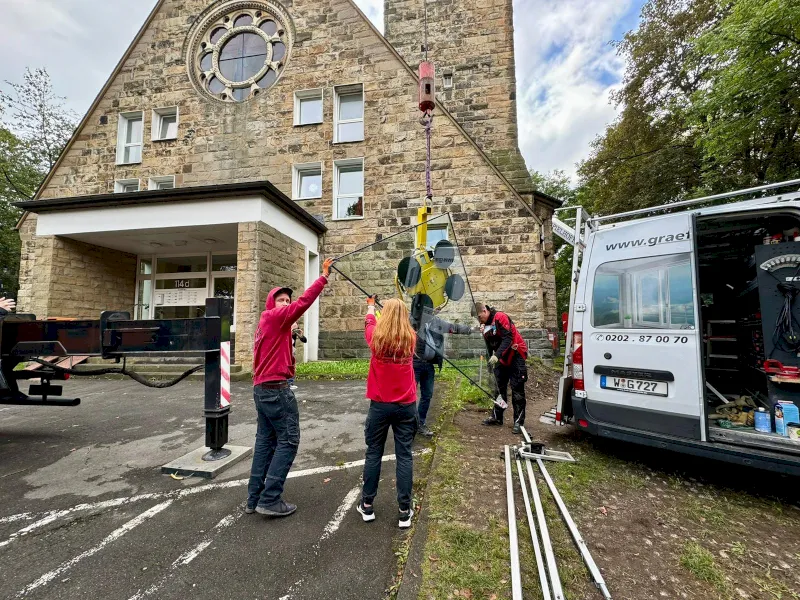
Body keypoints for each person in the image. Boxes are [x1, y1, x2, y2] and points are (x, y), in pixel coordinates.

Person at [246, 257, 334, 518]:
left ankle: (254, 497)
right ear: (272, 305)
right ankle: (271, 498)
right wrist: (324, 277)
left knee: (265, 442)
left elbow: (283, 357)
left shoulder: (271, 325)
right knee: (289, 440)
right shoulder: (275, 317)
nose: (286, 304)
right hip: (275, 391)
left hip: (262, 389)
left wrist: (290, 334)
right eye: (281, 300)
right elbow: (304, 302)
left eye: (287, 300)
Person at [356, 296, 418, 528]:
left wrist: (371, 306)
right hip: (405, 406)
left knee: (374, 453)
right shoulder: (411, 339)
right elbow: (389, 325)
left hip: (380, 406)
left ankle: (368, 505)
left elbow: (370, 322)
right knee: (404, 455)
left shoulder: (376, 339)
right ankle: (404, 510)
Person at [412, 310, 474, 437]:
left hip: (429, 365)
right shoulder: (413, 320)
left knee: (427, 395)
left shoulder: (437, 322)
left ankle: (420, 423)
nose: (434, 310)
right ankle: (408, 425)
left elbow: (453, 328)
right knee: (409, 396)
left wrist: (471, 329)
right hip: (414, 364)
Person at [476, 303, 529, 434]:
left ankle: (518, 422)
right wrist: (490, 360)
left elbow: (508, 338)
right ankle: (497, 416)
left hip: (515, 353)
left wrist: (496, 356)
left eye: (479, 316)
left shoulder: (500, 317)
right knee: (498, 388)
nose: (479, 320)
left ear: (484, 310)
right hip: (501, 358)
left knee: (517, 389)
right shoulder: (485, 327)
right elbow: (489, 346)